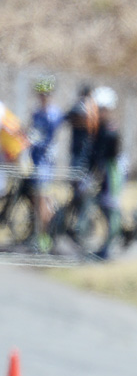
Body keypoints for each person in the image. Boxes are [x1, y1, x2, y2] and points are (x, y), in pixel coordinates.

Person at [26, 76, 66, 251]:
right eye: (41, 94)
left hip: (45, 164)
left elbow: (48, 139)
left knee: (43, 201)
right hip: (34, 160)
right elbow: (32, 133)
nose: (43, 97)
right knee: (36, 200)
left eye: (46, 94)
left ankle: (45, 238)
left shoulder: (54, 114)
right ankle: (36, 234)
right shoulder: (36, 113)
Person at [86, 86, 123, 260]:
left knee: (111, 209)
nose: (99, 112)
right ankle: (106, 244)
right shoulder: (99, 128)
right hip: (105, 172)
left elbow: (106, 157)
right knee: (104, 207)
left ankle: (109, 248)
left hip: (112, 173)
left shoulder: (110, 130)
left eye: (102, 109)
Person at [65, 83, 98, 179]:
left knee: (79, 170)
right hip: (84, 143)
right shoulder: (92, 107)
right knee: (81, 170)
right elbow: (69, 117)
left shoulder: (85, 106)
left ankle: (79, 190)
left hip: (82, 144)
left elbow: (70, 116)